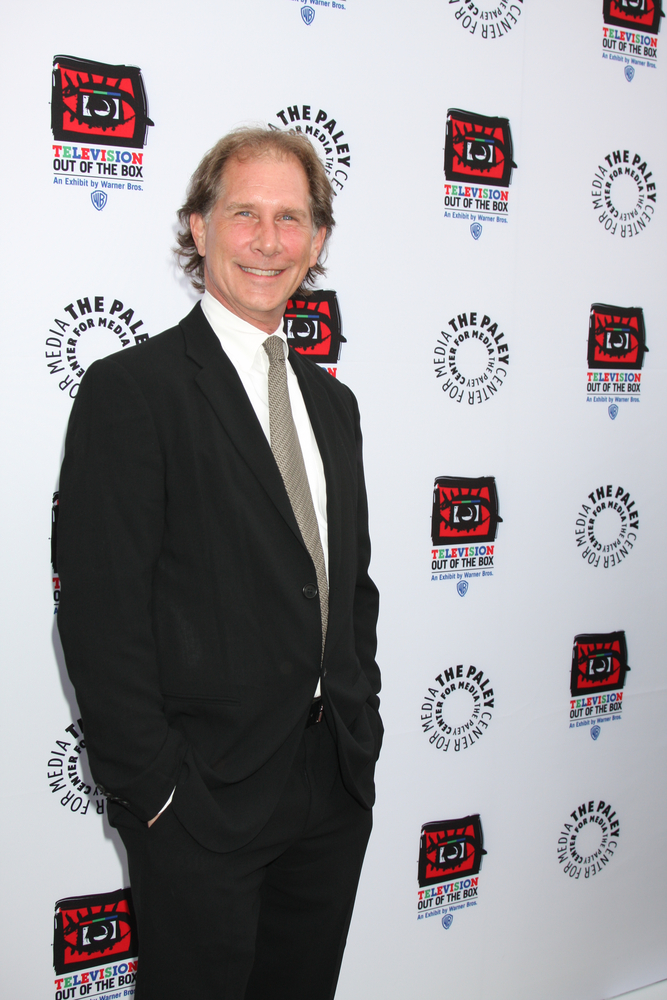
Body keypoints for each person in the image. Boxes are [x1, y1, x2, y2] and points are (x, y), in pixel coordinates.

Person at [56, 126, 382, 1000]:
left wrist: (362, 729)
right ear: (198, 228)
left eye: (290, 218)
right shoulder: (133, 392)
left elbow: (346, 588)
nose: (267, 241)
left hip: (330, 785)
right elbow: (99, 613)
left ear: (317, 241)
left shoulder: (333, 404)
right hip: (200, 801)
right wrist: (154, 797)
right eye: (244, 214)